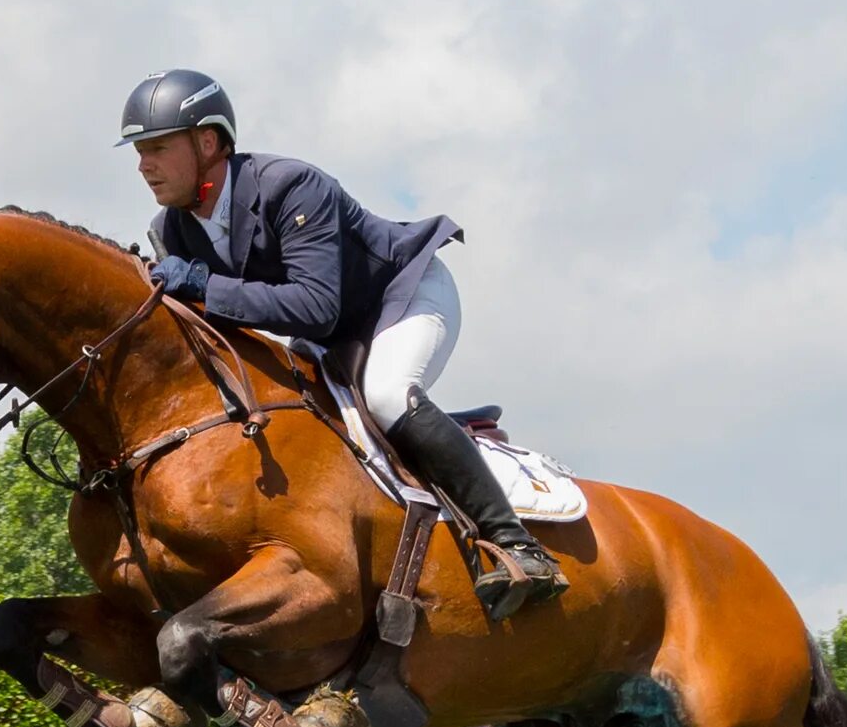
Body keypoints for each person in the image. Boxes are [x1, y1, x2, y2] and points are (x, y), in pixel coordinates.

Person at [118, 68, 567, 620]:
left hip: (400, 295)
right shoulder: (172, 230)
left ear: (207, 142)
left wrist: (206, 286)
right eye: (139, 151)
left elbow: (313, 305)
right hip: (332, 335)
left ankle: (517, 544)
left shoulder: (288, 186)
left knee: (386, 395)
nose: (144, 165)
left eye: (157, 147)